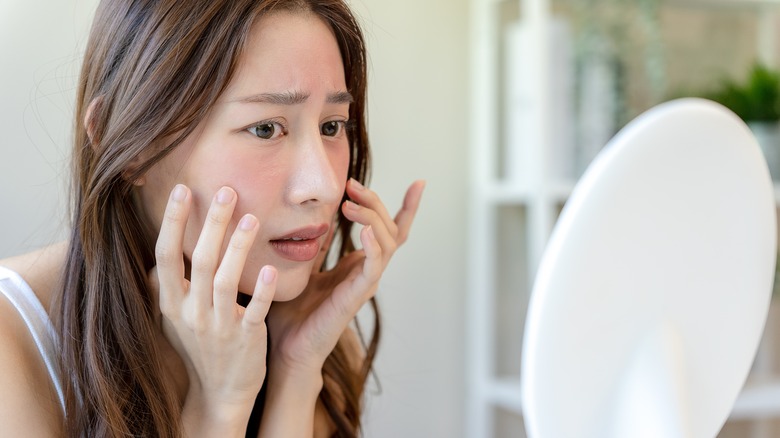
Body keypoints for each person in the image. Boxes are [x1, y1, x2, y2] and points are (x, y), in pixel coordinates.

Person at [0, 0, 424, 436]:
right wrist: (219, 409)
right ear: (128, 144)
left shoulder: (310, 328)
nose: (323, 186)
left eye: (332, 126)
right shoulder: (11, 347)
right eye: (265, 128)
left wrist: (295, 370)